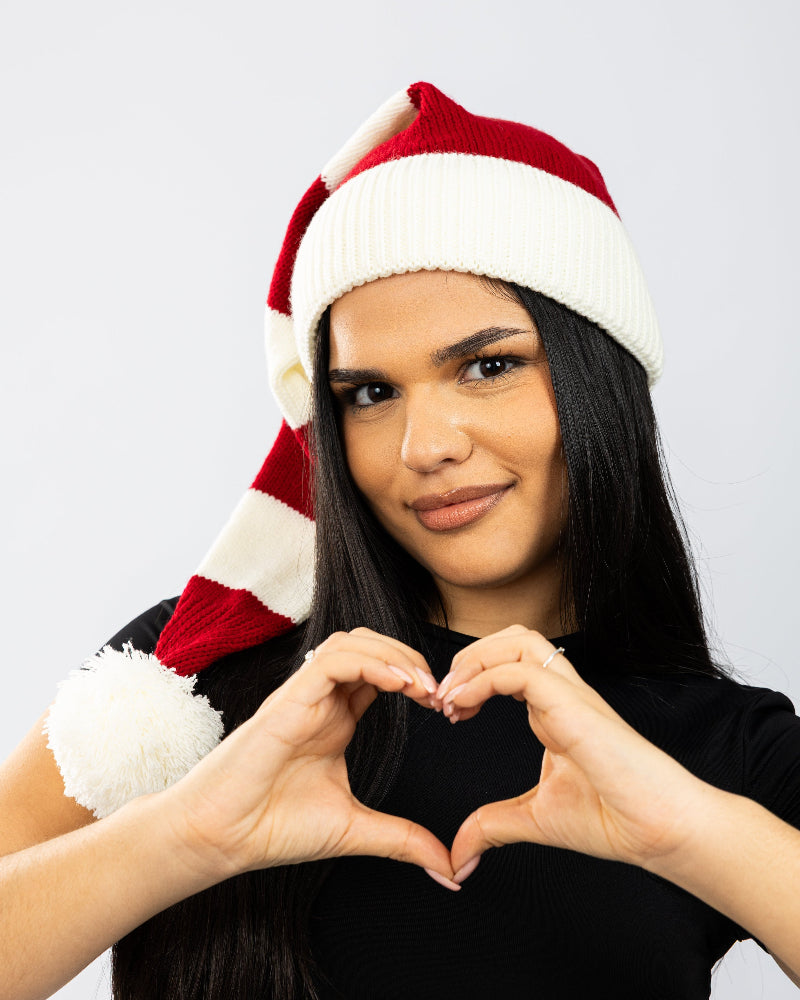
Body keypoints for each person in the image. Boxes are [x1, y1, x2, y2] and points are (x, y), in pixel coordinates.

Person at [1, 81, 799, 1000]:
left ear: (597, 377)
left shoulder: (725, 748)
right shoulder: (185, 677)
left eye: (488, 366)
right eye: (370, 394)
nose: (426, 449)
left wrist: (688, 829)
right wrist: (186, 837)